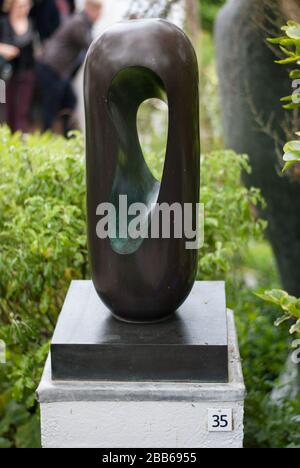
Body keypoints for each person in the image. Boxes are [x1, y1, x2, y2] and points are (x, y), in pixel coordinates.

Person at [37, 0, 102, 135]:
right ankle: (46, 136)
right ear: (91, 9)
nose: (100, 15)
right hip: (51, 67)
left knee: (70, 100)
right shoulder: (79, 23)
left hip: (58, 70)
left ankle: (68, 134)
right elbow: (91, 47)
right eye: (98, 11)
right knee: (51, 105)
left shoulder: (82, 22)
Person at [0, 0, 35, 132]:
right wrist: (4, 49)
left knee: (22, 110)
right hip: (5, 75)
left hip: (26, 72)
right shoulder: (3, 23)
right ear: (11, 6)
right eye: (20, 6)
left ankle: (19, 140)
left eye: (26, 6)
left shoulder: (31, 22)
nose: (24, 9)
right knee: (5, 108)